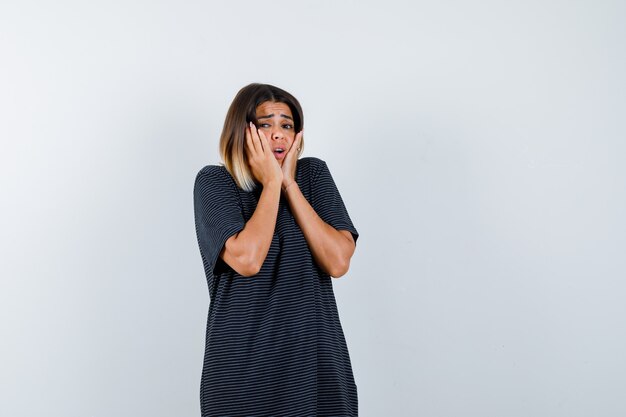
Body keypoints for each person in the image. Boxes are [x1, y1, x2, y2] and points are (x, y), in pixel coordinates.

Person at [193, 83, 360, 416]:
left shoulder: (313, 176)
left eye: (287, 125)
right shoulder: (215, 182)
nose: (279, 134)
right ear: (242, 131)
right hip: (243, 367)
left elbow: (338, 261)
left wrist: (289, 185)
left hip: (316, 362)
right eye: (266, 124)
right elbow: (248, 259)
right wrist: (270, 184)